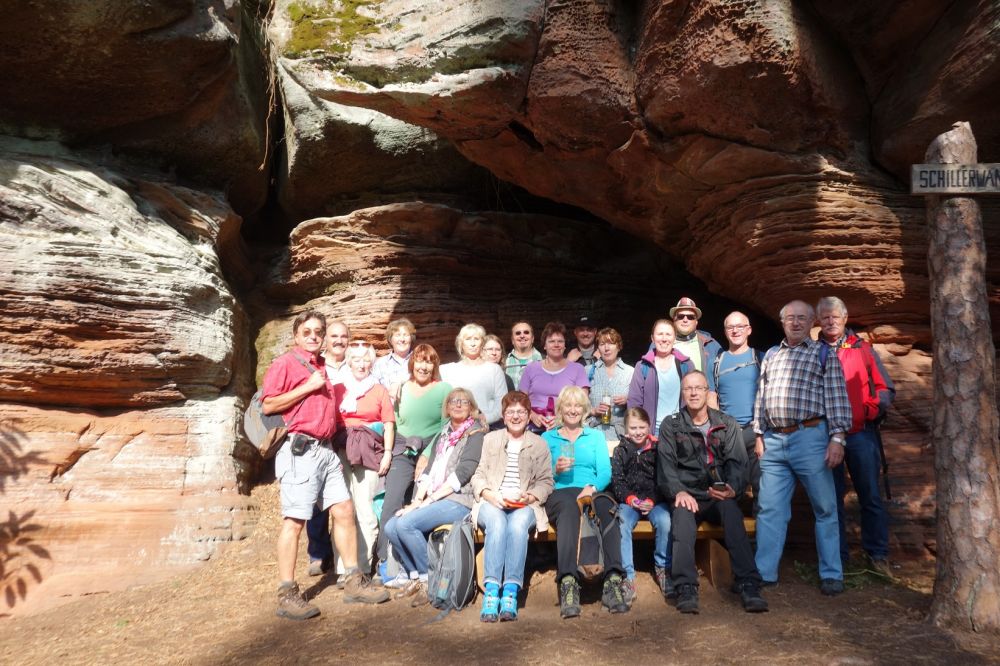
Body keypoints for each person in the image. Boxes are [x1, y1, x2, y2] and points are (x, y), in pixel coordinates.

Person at [260, 311, 387, 619]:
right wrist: (307, 387)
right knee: (295, 521)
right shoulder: (285, 364)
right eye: (307, 332)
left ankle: (353, 580)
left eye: (318, 331)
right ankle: (287, 593)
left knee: (344, 510)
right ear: (296, 336)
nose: (313, 336)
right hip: (300, 451)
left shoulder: (320, 366)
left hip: (326, 450)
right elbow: (268, 404)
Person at [753, 300, 852, 595]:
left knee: (825, 507)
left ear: (811, 323)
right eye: (790, 318)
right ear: (782, 322)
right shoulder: (772, 355)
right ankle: (764, 572)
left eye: (801, 318)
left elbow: (837, 398)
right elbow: (761, 395)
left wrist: (837, 439)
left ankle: (831, 574)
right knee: (769, 509)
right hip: (774, 440)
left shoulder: (824, 354)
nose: (795, 323)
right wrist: (758, 434)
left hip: (810, 437)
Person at [657, 371, 768, 614]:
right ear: (682, 393)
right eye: (688, 389)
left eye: (698, 388)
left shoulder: (726, 423)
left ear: (707, 392)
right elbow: (666, 465)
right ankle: (686, 586)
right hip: (688, 495)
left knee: (733, 515)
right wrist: (678, 492)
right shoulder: (671, 424)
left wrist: (732, 489)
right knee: (681, 522)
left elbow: (738, 462)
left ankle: (748, 584)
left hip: (718, 495)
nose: (693, 393)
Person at [383, 388, 487, 603]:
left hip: (459, 499)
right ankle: (416, 576)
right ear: (447, 407)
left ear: (472, 408)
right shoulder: (444, 433)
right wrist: (417, 501)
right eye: (453, 401)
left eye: (464, 402)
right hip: (436, 497)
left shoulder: (475, 434)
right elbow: (429, 471)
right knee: (391, 526)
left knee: (406, 525)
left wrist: (428, 501)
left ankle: (430, 579)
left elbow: (463, 473)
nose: (458, 405)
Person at [816, 296, 896, 575]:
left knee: (870, 495)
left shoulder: (862, 349)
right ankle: (839, 559)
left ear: (845, 318)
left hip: (861, 434)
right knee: (832, 499)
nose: (830, 321)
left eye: (835, 316)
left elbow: (885, 389)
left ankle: (877, 555)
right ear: (819, 321)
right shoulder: (813, 351)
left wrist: (867, 411)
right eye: (825, 317)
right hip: (825, 437)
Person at [543, 386, 629, 618]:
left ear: (584, 410)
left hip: (591, 489)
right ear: (560, 409)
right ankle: (568, 581)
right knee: (569, 509)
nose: (573, 410)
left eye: (578, 406)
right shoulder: (548, 437)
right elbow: (540, 476)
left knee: (607, 508)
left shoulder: (595, 436)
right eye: (568, 405)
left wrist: (592, 488)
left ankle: (613, 580)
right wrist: (555, 470)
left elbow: (605, 472)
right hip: (560, 492)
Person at [472, 391, 554, 622]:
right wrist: (488, 494)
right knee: (497, 523)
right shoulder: (491, 439)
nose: (516, 416)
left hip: (524, 504)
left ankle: (510, 591)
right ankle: (491, 591)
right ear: (503, 415)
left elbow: (547, 482)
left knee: (517, 526)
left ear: (528, 416)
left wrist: (530, 496)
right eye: (511, 412)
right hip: (492, 501)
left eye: (521, 412)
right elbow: (478, 475)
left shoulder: (539, 444)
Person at [375, 344, 452, 577]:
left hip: (432, 449)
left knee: (421, 505)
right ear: (412, 363)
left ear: (434, 365)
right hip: (403, 448)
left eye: (429, 361)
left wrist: (427, 454)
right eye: (419, 361)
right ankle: (384, 560)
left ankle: (422, 562)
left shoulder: (444, 389)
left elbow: (445, 426)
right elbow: (394, 421)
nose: (424, 366)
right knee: (392, 500)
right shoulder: (401, 388)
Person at [336, 341, 395, 575]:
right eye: (356, 359)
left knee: (366, 511)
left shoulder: (379, 390)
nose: (361, 364)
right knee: (342, 511)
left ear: (372, 363)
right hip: (341, 451)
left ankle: (360, 569)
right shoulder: (339, 389)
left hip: (369, 451)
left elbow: (388, 424)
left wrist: (387, 453)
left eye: (366, 359)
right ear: (348, 362)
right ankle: (343, 569)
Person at [611, 408, 671, 606]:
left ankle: (663, 567)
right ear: (626, 429)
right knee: (622, 522)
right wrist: (630, 499)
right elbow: (618, 481)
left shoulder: (658, 449)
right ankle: (627, 576)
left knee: (665, 521)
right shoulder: (621, 450)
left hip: (655, 501)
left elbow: (664, 479)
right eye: (633, 428)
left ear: (649, 426)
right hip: (631, 502)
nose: (638, 432)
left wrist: (652, 500)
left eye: (642, 427)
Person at [306, 319, 351, 578]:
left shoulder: (356, 362)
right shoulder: (317, 366)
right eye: (334, 336)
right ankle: (318, 552)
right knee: (317, 496)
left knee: (345, 495)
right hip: (321, 434)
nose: (339, 341)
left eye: (343, 336)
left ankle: (345, 550)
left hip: (348, 435)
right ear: (326, 339)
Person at [713, 311, 764, 505]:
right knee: (730, 487)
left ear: (749, 330)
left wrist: (762, 433)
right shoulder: (717, 361)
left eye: (740, 326)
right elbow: (711, 396)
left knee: (761, 488)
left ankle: (761, 525)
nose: (735, 331)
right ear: (725, 331)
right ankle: (731, 524)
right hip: (729, 433)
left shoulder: (761, 358)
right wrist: (717, 430)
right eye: (730, 327)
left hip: (755, 430)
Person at [519, 321, 590, 433]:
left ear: (565, 345)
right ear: (545, 345)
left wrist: (561, 419)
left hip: (566, 427)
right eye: (551, 341)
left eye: (560, 341)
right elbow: (521, 400)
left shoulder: (578, 369)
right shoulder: (531, 368)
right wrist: (532, 415)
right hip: (533, 426)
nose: (556, 345)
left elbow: (583, 402)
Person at [627, 319, 695, 435]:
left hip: (680, 431)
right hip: (652, 432)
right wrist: (637, 430)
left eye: (668, 334)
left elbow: (695, 398)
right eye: (660, 334)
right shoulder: (642, 366)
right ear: (652, 338)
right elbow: (634, 402)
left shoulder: (686, 365)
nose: (664, 339)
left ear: (674, 338)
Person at [440, 323, 509, 428]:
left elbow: (502, 403)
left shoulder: (494, 370)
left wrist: (485, 418)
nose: (472, 344)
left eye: (476, 339)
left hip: (486, 428)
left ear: (482, 343)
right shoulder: (447, 370)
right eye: (468, 339)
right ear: (461, 343)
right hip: (455, 429)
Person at [668, 297, 722, 408]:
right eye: (681, 316)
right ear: (674, 319)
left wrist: (713, 397)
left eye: (690, 317)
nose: (685, 320)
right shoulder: (662, 343)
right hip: (671, 407)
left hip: (703, 408)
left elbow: (724, 377)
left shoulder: (711, 345)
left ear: (696, 322)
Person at [587, 327, 634, 444]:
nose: (606, 348)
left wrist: (628, 401)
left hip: (620, 435)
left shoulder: (630, 372)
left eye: (611, 343)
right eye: (602, 344)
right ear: (598, 348)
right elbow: (577, 405)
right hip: (592, 433)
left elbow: (640, 404)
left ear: (619, 346)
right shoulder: (588, 371)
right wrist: (593, 411)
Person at [372, 318, 415, 400]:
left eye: (406, 335)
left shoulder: (420, 360)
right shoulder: (380, 364)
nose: (402, 339)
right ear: (391, 340)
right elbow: (375, 393)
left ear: (411, 338)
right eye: (398, 335)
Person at [504, 321, 542, 388]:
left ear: (532, 338)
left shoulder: (544, 360)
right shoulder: (504, 361)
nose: (522, 336)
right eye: (518, 333)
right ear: (512, 340)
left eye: (526, 332)